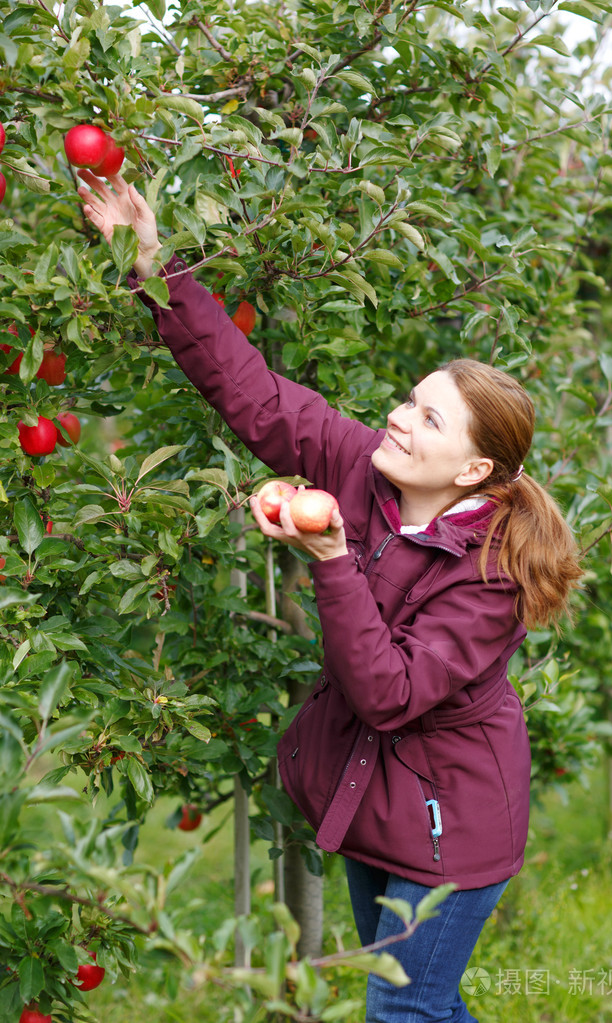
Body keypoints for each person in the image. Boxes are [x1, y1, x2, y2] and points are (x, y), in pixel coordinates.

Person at [77, 171, 583, 1022]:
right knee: (424, 1004)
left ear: (471, 471)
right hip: (377, 800)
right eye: (410, 400)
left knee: (403, 1011)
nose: (396, 417)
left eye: (426, 420)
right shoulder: (360, 466)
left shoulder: (490, 573)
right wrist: (153, 265)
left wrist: (333, 557)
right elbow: (259, 395)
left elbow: (389, 691)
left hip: (450, 828)